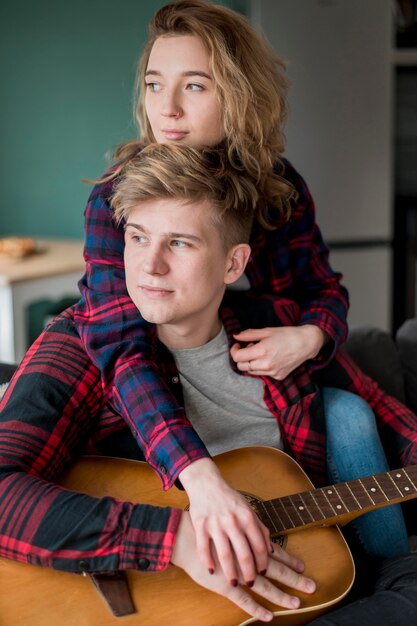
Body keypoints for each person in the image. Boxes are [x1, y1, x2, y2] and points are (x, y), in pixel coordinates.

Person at [1, 142, 416, 626]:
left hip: (312, 592)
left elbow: (386, 412)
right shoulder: (79, 350)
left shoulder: (274, 331)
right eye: (137, 238)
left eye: (179, 242)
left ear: (233, 264)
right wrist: (172, 537)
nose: (149, 265)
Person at [72, 0, 416, 575]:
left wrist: (308, 338)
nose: (168, 108)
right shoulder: (117, 197)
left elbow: (324, 290)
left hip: (272, 392)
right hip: (165, 401)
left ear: (238, 94)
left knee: (353, 416)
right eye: (156, 84)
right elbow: (120, 350)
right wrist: (197, 474)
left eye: (195, 86)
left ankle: (390, 578)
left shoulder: (280, 190)